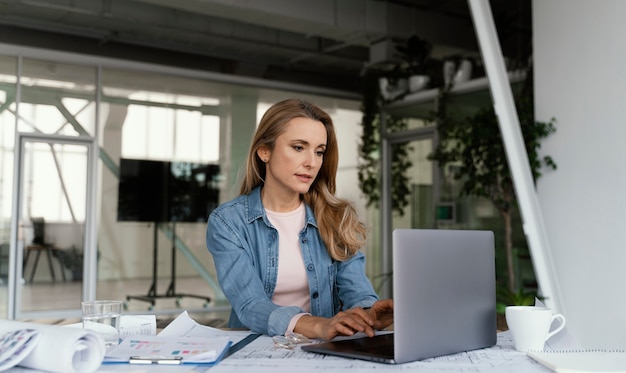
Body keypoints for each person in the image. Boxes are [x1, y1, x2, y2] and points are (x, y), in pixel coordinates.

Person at [206, 98, 393, 341]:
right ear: (264, 151)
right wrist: (319, 326)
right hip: (256, 350)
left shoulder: (336, 218)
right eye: (298, 147)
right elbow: (250, 304)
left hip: (323, 352)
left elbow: (356, 289)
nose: (312, 163)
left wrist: (369, 315)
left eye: (319, 151)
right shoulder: (229, 222)